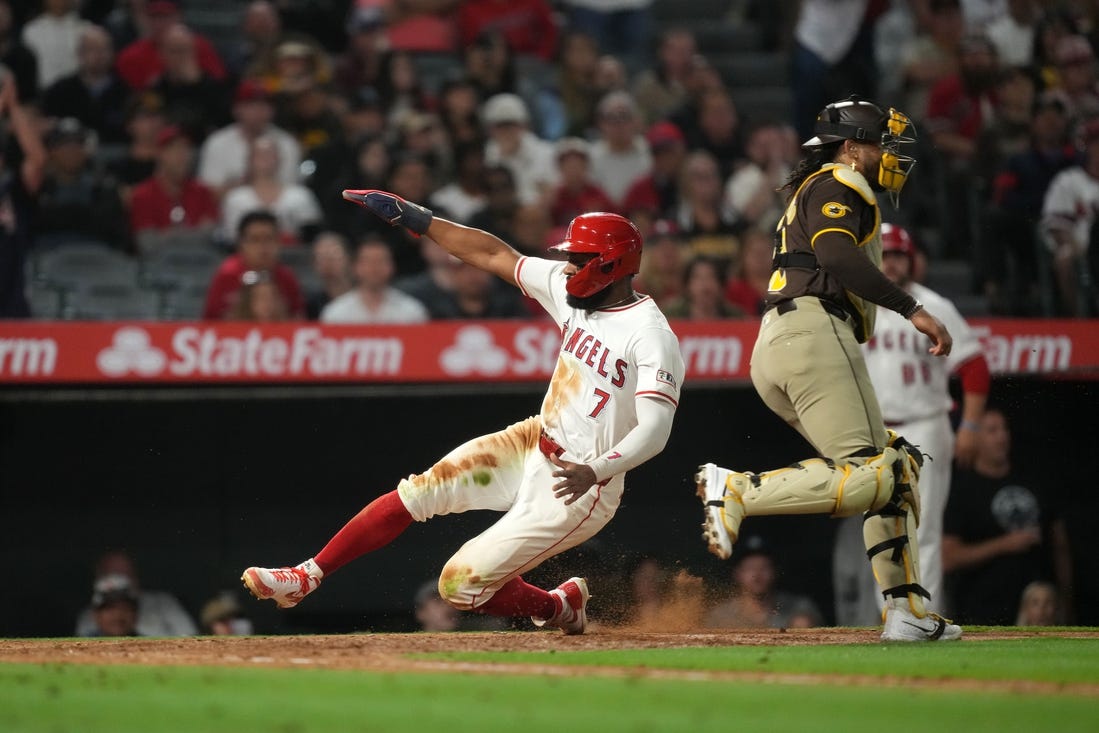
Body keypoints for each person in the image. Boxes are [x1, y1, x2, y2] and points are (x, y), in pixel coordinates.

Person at [243, 192, 685, 635]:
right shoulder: (571, 291)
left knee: (458, 586)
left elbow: (655, 431)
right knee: (416, 494)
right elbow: (493, 253)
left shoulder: (650, 335)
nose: (567, 268)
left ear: (611, 265)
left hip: (580, 486)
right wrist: (420, 221)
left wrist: (595, 469)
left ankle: (556, 608)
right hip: (534, 441)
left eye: (578, 259)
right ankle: (306, 576)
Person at [693, 95, 962, 643]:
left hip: (787, 341)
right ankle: (740, 489)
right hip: (814, 331)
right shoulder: (840, 182)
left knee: (892, 473)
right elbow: (838, 256)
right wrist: (913, 309)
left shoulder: (820, 185)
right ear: (851, 147)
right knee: (881, 471)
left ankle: (905, 611)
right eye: (880, 141)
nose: (889, 153)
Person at [832, 223, 990, 626]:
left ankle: (924, 615)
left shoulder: (934, 306)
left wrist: (969, 427)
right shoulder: (854, 307)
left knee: (925, 529)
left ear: (912, 260)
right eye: (885, 254)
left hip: (926, 424)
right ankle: (893, 618)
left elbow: (974, 368)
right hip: (874, 432)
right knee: (880, 529)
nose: (892, 262)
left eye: (899, 255)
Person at [942, 409, 1073, 625]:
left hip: (1038, 610)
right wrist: (1004, 544)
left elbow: (1060, 544)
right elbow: (948, 558)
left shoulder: (1032, 480)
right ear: (975, 438)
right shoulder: (962, 491)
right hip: (984, 611)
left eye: (1004, 429)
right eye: (992, 430)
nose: (1002, 436)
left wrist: (1067, 598)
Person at [202, 210, 304, 320]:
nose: (263, 247)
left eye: (269, 239)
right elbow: (210, 321)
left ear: (279, 242)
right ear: (241, 244)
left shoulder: (286, 277)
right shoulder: (227, 275)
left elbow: (298, 319)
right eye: (255, 240)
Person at [704, 536, 822, 629]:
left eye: (764, 567)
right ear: (738, 573)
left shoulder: (798, 607)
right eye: (750, 568)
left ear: (775, 572)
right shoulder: (721, 615)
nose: (757, 575)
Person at [75, 550, 197, 637]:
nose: (118, 614)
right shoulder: (85, 626)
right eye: (109, 608)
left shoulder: (164, 602)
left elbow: (191, 637)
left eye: (125, 608)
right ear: (96, 614)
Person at [320, 235, 429, 324]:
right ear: (355, 266)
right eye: (368, 262)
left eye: (380, 261)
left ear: (392, 266)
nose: (374, 268)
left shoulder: (411, 311)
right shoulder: (336, 313)